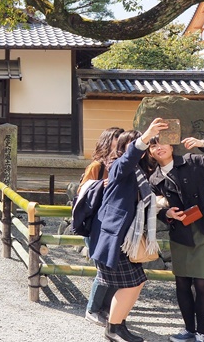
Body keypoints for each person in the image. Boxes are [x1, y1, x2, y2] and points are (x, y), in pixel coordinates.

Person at [146, 130, 204, 342]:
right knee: (182, 282)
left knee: (202, 283)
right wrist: (165, 213)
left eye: (162, 143)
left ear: (172, 145)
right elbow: (152, 206)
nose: (159, 147)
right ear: (150, 152)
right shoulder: (154, 178)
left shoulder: (192, 160)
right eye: (153, 145)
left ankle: (201, 334)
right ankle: (188, 330)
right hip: (180, 232)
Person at [89, 118, 165, 342]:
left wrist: (165, 209)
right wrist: (146, 136)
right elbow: (131, 156)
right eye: (137, 145)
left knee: (136, 281)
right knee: (131, 283)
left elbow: (143, 203)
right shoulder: (118, 167)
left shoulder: (138, 174)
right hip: (115, 237)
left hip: (126, 238)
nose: (143, 149)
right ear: (124, 148)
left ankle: (118, 324)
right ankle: (113, 328)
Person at [80, 126, 124, 326]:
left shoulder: (122, 164)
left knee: (113, 267)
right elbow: (82, 191)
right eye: (117, 138)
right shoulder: (97, 166)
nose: (120, 142)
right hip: (95, 223)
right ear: (108, 141)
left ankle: (107, 309)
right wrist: (101, 185)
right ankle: (92, 309)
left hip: (112, 224)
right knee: (103, 269)